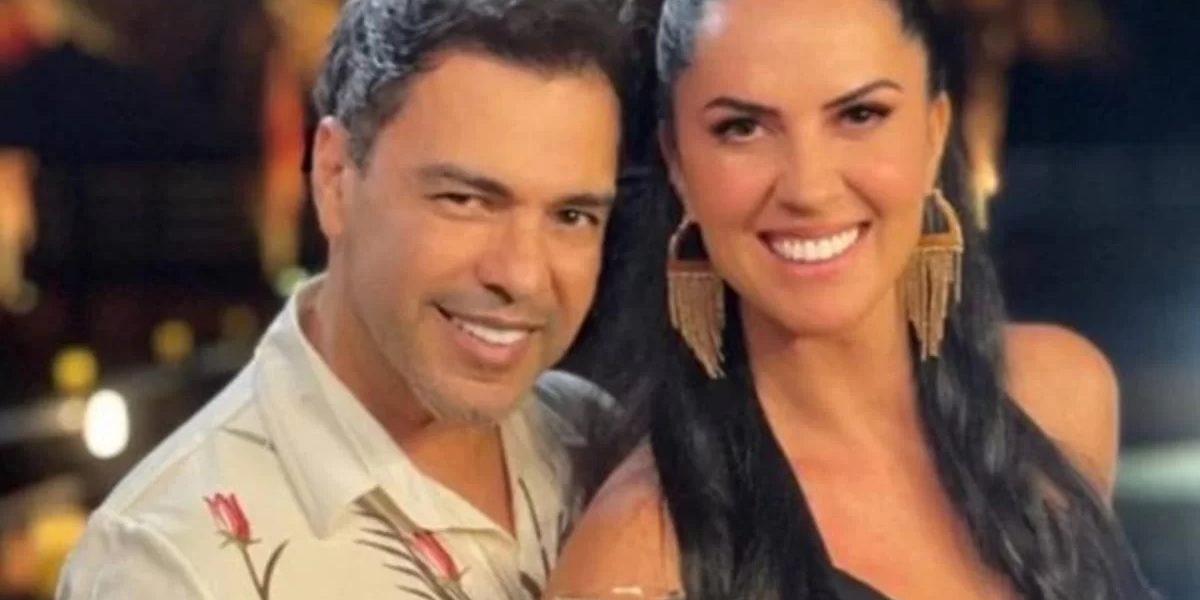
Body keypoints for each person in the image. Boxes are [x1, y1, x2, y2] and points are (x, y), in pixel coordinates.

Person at [546, 0, 1155, 598]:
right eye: (742, 128)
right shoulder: (639, 556)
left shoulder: (1062, 394)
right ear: (678, 163)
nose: (808, 188)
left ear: (934, 131)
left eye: (860, 114)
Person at [57, 0, 631, 597]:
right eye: (465, 200)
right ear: (333, 175)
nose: (524, 275)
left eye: (572, 215)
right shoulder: (167, 564)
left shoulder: (600, 443)